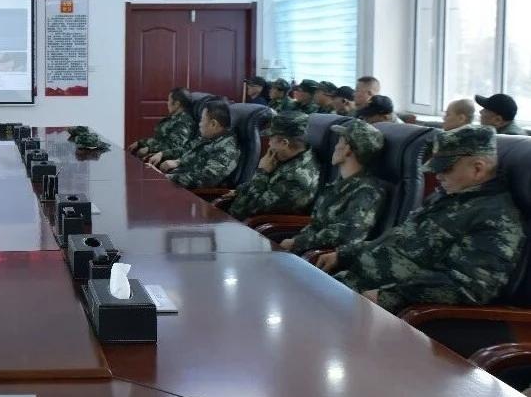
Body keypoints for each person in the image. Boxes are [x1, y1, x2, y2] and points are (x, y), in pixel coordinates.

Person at [316, 126, 524, 313]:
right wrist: (344, 254)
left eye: (446, 169)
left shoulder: (496, 219)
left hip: (387, 306)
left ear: (477, 168)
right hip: (356, 282)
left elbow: (469, 287)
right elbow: (399, 238)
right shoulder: (448, 196)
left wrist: (390, 296)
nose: (438, 176)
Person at [281, 120, 387, 254]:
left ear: (347, 150)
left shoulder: (368, 192)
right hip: (306, 250)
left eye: (339, 142)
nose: (335, 147)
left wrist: (297, 242)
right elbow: (316, 224)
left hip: (322, 258)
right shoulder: (339, 184)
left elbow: (346, 234)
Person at [220, 112, 319, 220]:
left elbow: (248, 209)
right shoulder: (286, 157)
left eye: (271, 139)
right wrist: (240, 191)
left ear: (284, 143)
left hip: (256, 227)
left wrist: (261, 172)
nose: (269, 143)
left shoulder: (296, 178)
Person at [160, 99, 241, 190]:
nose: (200, 124)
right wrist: (164, 155)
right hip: (176, 177)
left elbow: (206, 179)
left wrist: (167, 178)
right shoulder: (210, 138)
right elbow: (187, 149)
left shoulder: (226, 149)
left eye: (202, 120)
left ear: (213, 124)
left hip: (193, 193)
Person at [133, 88, 194, 163]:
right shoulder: (173, 118)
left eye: (169, 100)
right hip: (158, 152)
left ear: (177, 104)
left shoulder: (183, 122)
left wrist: (150, 149)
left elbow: (174, 146)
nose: (167, 103)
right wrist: (141, 143)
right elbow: (159, 139)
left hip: (167, 159)